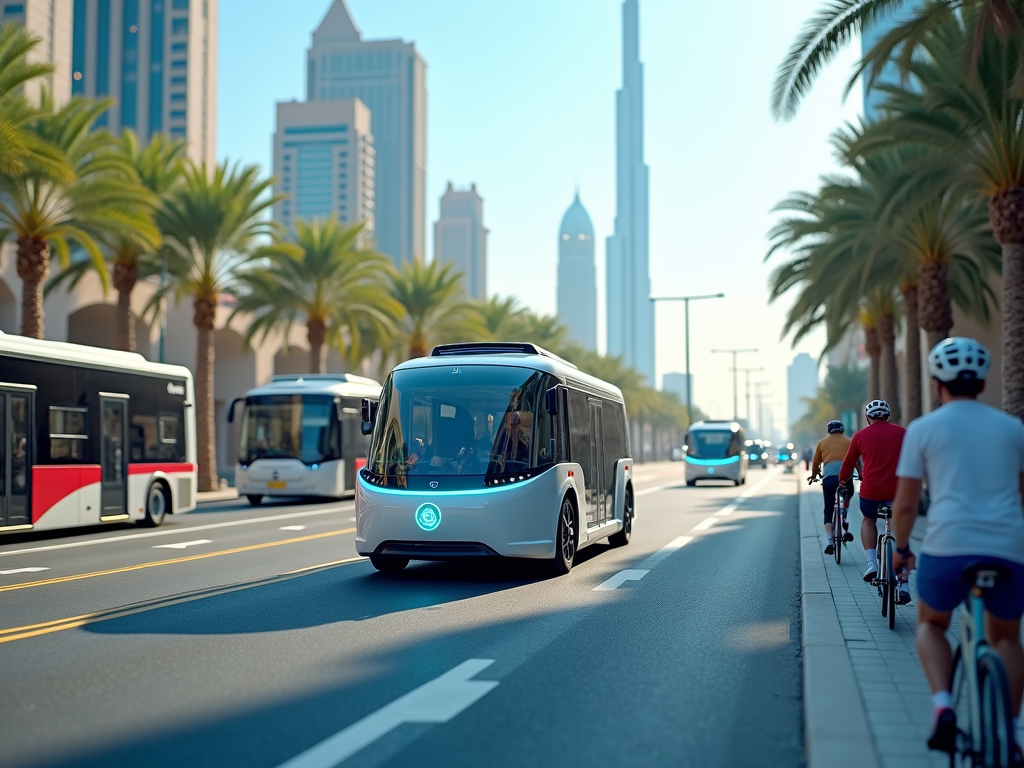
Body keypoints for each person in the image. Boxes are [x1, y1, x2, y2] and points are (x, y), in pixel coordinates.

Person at [890, 338, 1024, 755]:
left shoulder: (923, 430)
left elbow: (907, 503)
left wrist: (901, 548)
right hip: (1007, 547)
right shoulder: (1013, 429)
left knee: (931, 624)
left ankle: (943, 707)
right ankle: (1010, 732)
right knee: (1006, 639)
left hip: (948, 547)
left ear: (935, 383)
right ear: (983, 384)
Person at [839, 398, 908, 601]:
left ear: (868, 418)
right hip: (899, 492)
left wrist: (843, 481)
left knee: (868, 520)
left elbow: (848, 464)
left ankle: (871, 563)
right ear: (887, 416)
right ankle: (904, 585)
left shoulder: (860, 436)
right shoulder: (902, 433)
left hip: (871, 492)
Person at [810, 420, 854, 555]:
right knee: (849, 492)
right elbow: (856, 459)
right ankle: (844, 513)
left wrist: (814, 475)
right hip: (845, 477)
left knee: (828, 508)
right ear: (842, 430)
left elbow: (816, 463)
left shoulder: (822, 443)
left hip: (828, 479)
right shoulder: (849, 441)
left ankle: (830, 541)